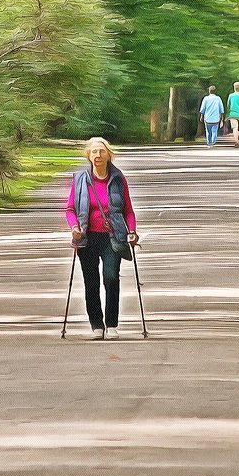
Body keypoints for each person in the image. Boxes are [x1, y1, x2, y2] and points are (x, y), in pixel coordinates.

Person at [65, 137, 140, 340]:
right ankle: (97, 325)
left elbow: (128, 211)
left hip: (112, 237)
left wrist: (131, 231)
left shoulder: (118, 178)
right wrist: (74, 227)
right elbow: (71, 209)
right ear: (88, 156)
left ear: (108, 155)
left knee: (111, 278)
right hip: (87, 238)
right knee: (91, 282)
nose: (98, 156)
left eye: (101, 151)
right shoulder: (79, 179)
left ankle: (112, 324)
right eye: (94, 152)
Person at [226, 82, 239, 148]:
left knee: (235, 128)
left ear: (234, 87)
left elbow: (228, 105)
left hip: (233, 114)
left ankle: (236, 142)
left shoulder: (231, 96)